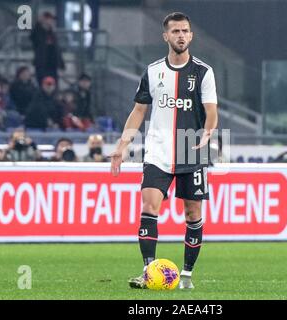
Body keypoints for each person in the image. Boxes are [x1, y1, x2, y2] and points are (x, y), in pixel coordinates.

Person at [110, 12, 218, 290]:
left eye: (185, 31)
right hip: (157, 150)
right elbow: (138, 111)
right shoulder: (153, 70)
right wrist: (122, 146)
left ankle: (186, 276)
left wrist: (208, 131)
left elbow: (211, 111)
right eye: (175, 31)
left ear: (191, 36)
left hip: (190, 149)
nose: (181, 35)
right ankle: (149, 272)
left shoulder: (203, 72)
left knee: (193, 214)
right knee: (149, 205)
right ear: (166, 36)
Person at [30, 11, 65, 86]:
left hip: (53, 66)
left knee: (53, 86)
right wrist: (39, 23)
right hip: (42, 65)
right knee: (42, 85)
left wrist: (61, 65)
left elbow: (57, 50)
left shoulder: (52, 33)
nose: (51, 21)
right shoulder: (38, 31)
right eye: (49, 19)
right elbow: (33, 37)